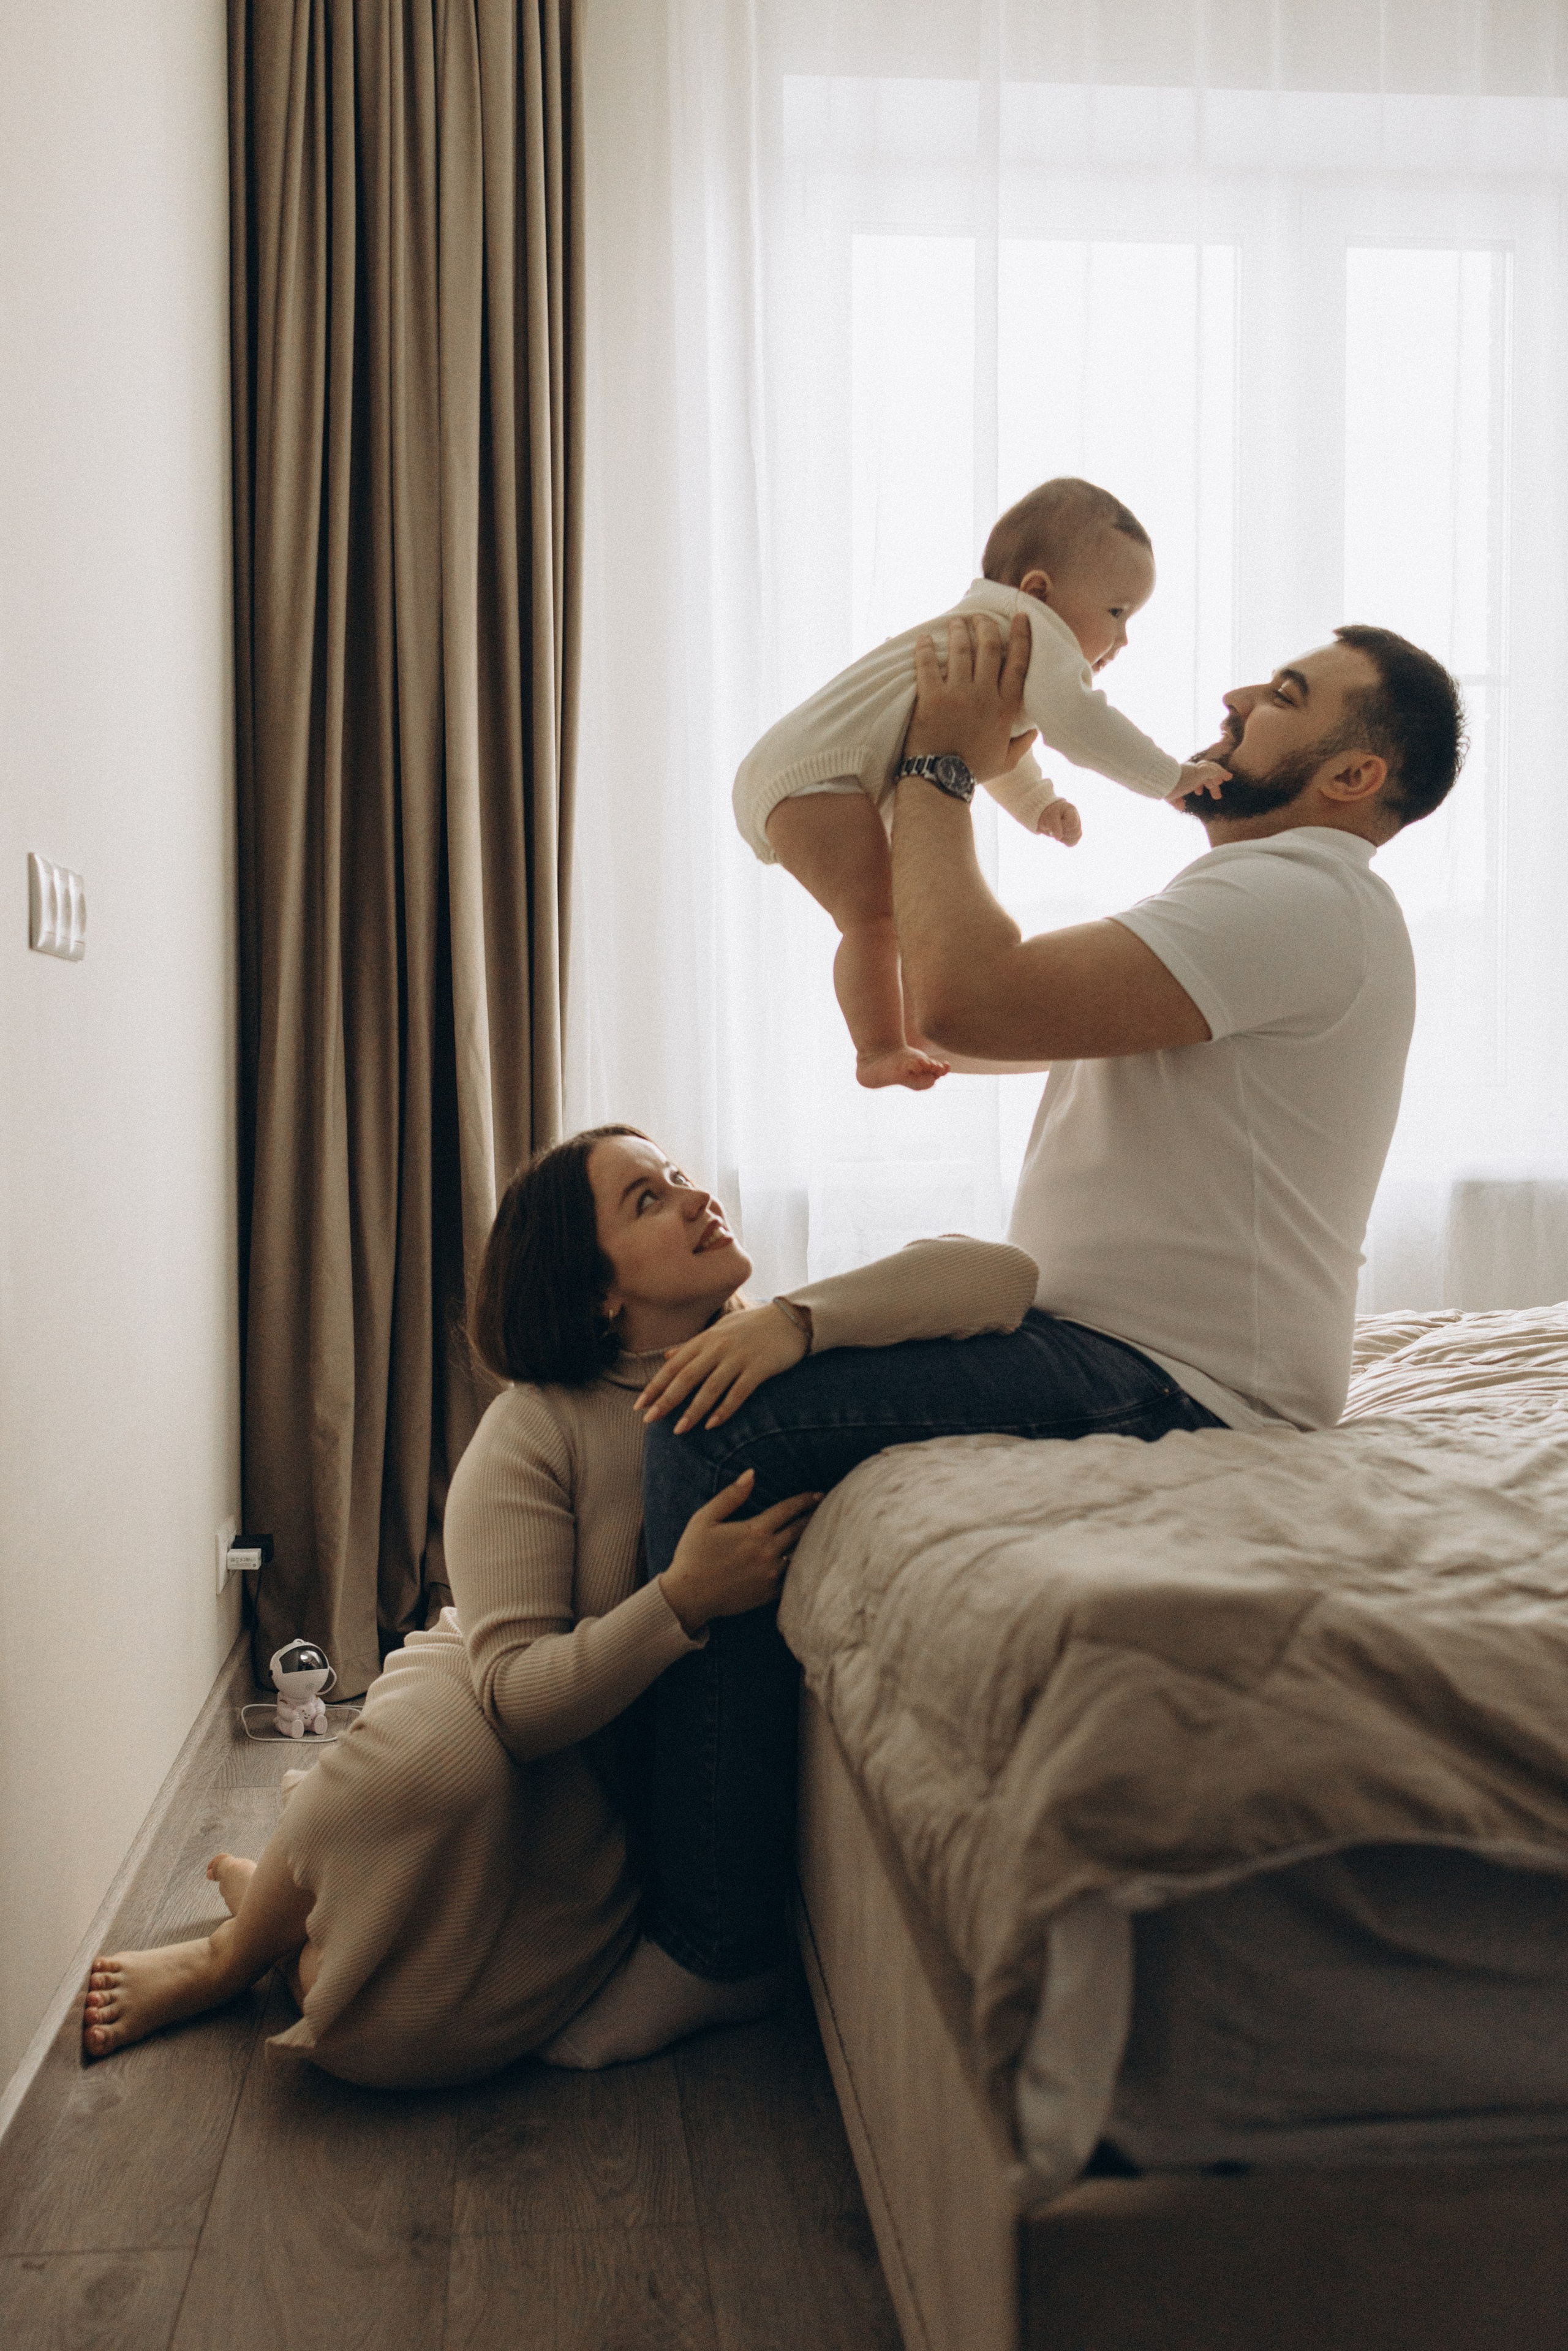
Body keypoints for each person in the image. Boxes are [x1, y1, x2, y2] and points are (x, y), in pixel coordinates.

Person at [628, 609, 1466, 2020]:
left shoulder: (1300, 897)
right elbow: (968, 997)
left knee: (726, 1420)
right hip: (1127, 1345)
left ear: (1348, 778)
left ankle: (706, 1941)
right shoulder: (1271, 903)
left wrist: (944, 767)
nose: (1232, 694)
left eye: (1284, 694)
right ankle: (656, 1838)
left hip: (1180, 1378)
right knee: (766, 1362)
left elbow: (960, 999)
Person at [81, 1127, 1034, 2081]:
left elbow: (1001, 1277)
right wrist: (682, 1598)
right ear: (598, 1291)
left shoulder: (777, 1363)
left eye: (680, 1176)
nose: (695, 1196)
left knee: (396, 2043)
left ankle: (302, 1901)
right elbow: (515, 1702)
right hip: (489, 1691)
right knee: (433, 1767)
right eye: (646, 1200)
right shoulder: (536, 1426)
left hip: (599, 1791)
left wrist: (794, 1319)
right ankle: (227, 1954)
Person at [733, 477, 1230, 1090]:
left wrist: (1037, 804)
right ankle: (877, 1048)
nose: (1123, 638)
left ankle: (894, 1035)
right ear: (1039, 590)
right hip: (814, 775)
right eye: (1116, 612)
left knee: (881, 916)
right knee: (872, 918)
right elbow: (1079, 724)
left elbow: (988, 744)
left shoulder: (989, 631)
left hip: (797, 769)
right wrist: (1170, 777)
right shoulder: (1033, 629)